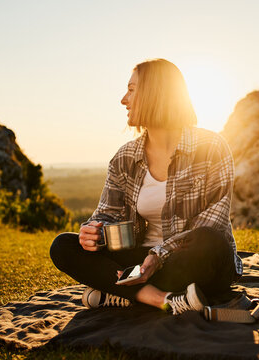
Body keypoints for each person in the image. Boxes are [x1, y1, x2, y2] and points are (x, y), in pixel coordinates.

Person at [50, 58, 242, 315]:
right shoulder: (124, 157)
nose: (123, 100)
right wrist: (93, 233)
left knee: (212, 243)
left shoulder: (211, 147)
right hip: (140, 262)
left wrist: (159, 255)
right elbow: (108, 215)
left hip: (190, 260)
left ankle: (119, 293)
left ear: (155, 93)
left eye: (131, 90)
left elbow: (212, 224)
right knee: (64, 246)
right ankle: (159, 298)